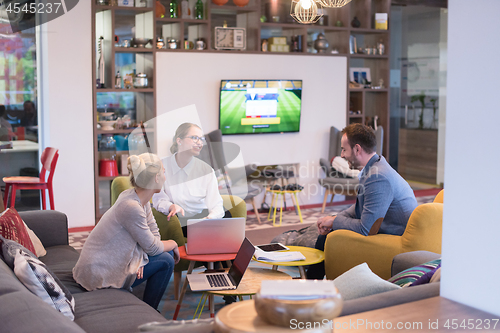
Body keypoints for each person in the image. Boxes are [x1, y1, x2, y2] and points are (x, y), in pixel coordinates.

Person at [307, 123, 418, 280]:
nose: (342, 155)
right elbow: (360, 207)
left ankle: (311, 287)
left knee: (325, 238)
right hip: (382, 228)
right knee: (327, 227)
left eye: (344, 149)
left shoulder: (378, 177)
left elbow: (366, 229)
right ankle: (312, 283)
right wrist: (333, 219)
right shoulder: (375, 166)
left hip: (393, 240)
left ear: (357, 149)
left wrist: (334, 222)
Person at [73, 153, 180, 310]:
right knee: (166, 259)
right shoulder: (131, 206)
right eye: (163, 172)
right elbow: (154, 247)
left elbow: (154, 236)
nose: (165, 176)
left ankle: (146, 309)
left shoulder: (140, 200)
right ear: (156, 178)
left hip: (105, 263)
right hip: (98, 273)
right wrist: (173, 243)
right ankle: (148, 311)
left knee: (165, 255)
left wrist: (143, 258)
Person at [152, 122, 226, 237]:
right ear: (179, 141)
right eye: (194, 138)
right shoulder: (162, 166)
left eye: (201, 139)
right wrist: (171, 206)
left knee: (228, 219)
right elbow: (158, 200)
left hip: (202, 217)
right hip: (176, 219)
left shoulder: (207, 171)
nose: (199, 143)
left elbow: (216, 204)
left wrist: (209, 219)